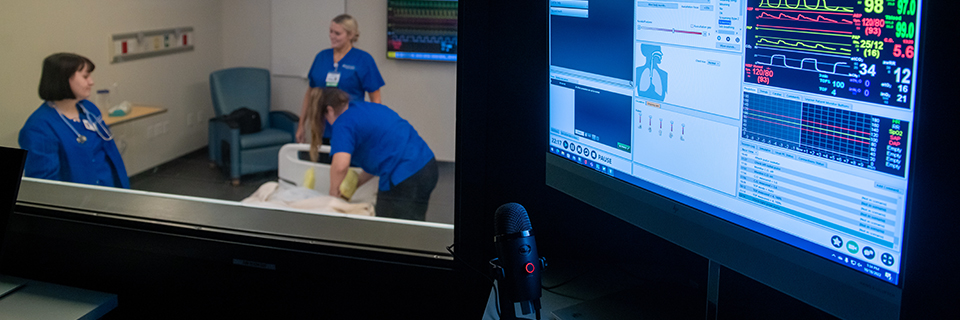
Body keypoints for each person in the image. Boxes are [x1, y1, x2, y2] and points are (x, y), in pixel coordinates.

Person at [306, 88, 437, 221]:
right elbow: (381, 155)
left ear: (329, 110)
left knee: (388, 227)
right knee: (414, 224)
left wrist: (333, 194)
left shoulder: (343, 123)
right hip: (427, 166)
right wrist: (357, 182)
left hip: (404, 177)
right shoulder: (366, 109)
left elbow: (340, 166)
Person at [18, 53, 129, 188]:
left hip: (110, 192)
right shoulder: (39, 128)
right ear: (64, 79)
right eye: (85, 76)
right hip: (78, 202)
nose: (91, 82)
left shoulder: (89, 110)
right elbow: (45, 187)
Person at [297, 14, 385, 143]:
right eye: (331, 32)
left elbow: (375, 98)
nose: (332, 36)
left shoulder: (363, 60)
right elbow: (310, 93)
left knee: (345, 162)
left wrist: (373, 126)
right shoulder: (321, 57)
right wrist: (301, 125)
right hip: (322, 128)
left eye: (337, 33)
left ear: (350, 35)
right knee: (322, 161)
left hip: (352, 128)